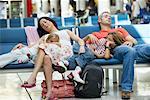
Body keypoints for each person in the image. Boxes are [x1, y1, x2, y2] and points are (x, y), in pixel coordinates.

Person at [20, 17, 85, 100]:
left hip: (65, 53)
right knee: (46, 57)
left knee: (43, 47)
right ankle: (49, 92)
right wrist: (22, 46)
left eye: (45, 22)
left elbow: (79, 40)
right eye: (42, 26)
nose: (45, 25)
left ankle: (33, 77)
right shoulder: (45, 36)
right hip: (53, 56)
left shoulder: (65, 31)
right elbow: (33, 46)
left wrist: (82, 46)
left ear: (51, 21)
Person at [87, 11, 137, 99]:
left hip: (133, 48)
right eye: (106, 16)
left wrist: (130, 42)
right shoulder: (96, 34)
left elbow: (134, 41)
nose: (109, 18)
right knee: (129, 51)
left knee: (144, 48)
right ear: (99, 20)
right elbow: (86, 47)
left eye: (110, 16)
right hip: (117, 49)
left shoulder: (119, 30)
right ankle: (126, 89)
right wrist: (89, 36)